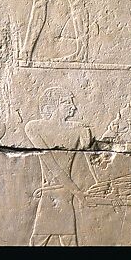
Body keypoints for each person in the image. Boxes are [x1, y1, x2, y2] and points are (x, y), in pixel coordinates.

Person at [24, 88, 91, 246]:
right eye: (67, 102)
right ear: (53, 106)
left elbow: (87, 151)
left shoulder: (77, 130)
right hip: (54, 196)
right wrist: (77, 192)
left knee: (65, 240)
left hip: (63, 197)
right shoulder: (36, 128)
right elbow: (53, 166)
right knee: (42, 240)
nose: (73, 107)